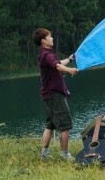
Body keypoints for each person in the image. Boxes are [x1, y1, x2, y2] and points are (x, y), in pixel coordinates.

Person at [32, 28, 78, 160]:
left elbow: (57, 64)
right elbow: (58, 67)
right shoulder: (47, 54)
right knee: (65, 124)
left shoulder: (45, 54)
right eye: (49, 36)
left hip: (48, 94)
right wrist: (70, 70)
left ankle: (44, 154)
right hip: (54, 95)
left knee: (50, 124)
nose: (52, 38)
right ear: (43, 41)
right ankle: (65, 154)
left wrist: (69, 60)